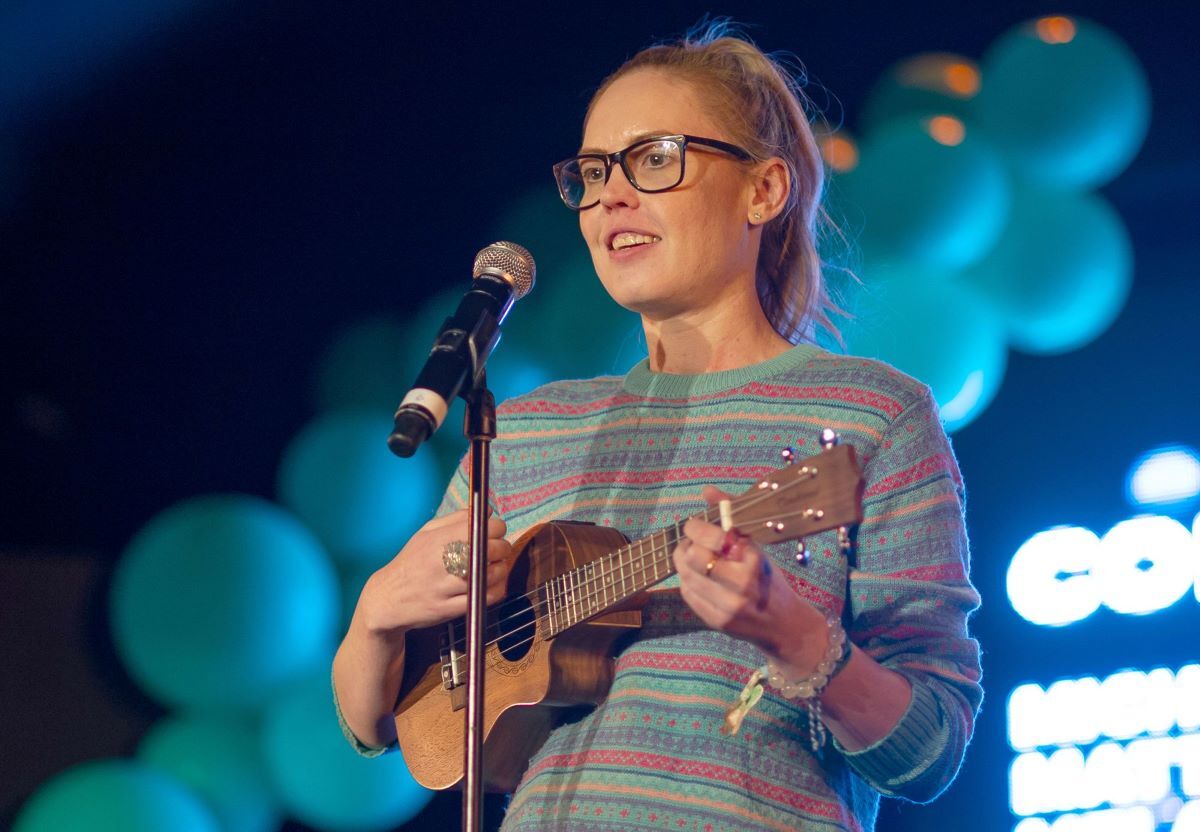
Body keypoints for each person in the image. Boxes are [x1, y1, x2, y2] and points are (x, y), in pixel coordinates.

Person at [332, 22, 982, 832]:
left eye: (655, 158)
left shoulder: (870, 416)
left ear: (763, 191)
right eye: (594, 171)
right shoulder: (524, 433)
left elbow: (932, 750)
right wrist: (375, 615)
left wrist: (796, 640)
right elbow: (391, 726)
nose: (610, 195)